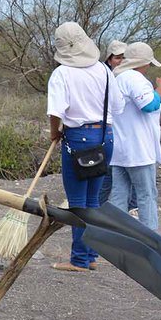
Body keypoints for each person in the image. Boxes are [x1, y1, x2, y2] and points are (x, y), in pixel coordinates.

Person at [47, 22, 125, 272]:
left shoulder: (62, 73)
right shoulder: (104, 70)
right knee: (93, 199)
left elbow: (56, 112)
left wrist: (54, 133)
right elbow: (118, 106)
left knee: (78, 201)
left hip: (78, 138)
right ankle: (90, 255)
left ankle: (79, 259)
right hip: (105, 136)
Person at [108, 42, 161, 232]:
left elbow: (131, 113)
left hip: (120, 148)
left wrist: (159, 121)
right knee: (146, 194)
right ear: (144, 62)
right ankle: (150, 236)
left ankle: (117, 234)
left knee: (119, 194)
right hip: (139, 149)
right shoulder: (135, 79)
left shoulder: (117, 78)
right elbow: (148, 105)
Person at [98, 40, 129, 206]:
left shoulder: (127, 77)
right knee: (106, 174)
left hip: (121, 132)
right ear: (109, 59)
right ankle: (96, 209)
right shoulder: (104, 75)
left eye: (123, 58)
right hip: (106, 130)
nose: (121, 61)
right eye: (118, 58)